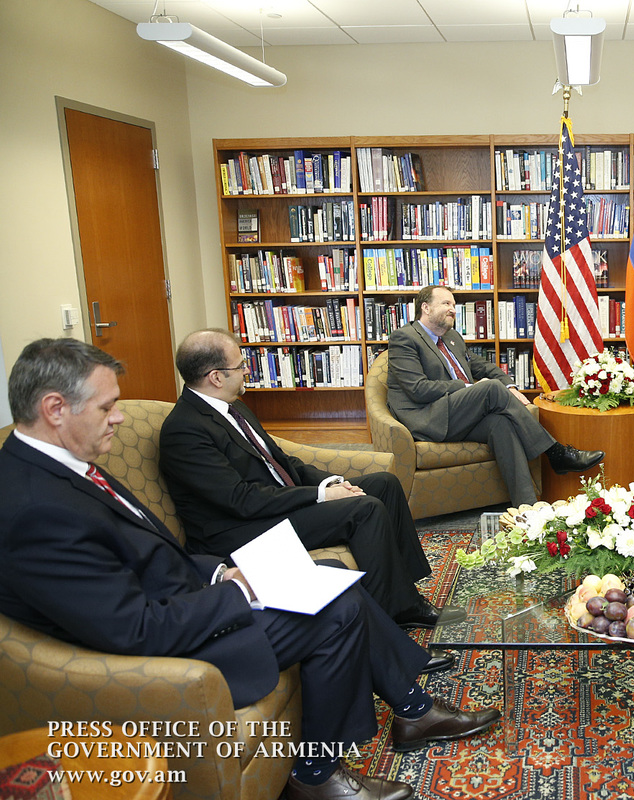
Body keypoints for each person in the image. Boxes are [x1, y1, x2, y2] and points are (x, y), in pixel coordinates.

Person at [0, 338, 502, 800]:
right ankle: (317, 773)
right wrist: (237, 592)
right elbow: (133, 629)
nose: (119, 417)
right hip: (172, 645)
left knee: (329, 575)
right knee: (338, 610)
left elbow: (155, 556)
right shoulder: (34, 508)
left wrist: (221, 575)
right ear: (55, 409)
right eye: (107, 406)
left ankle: (412, 710)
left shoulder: (62, 469)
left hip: (191, 595)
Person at [159, 329, 458, 644]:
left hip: (272, 507)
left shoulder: (234, 406)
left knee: (384, 484)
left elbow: (281, 461)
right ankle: (392, 617)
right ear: (216, 377)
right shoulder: (185, 430)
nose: (247, 370)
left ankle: (405, 597)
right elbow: (240, 499)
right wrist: (322, 495)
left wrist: (332, 481)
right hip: (243, 529)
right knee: (364, 510)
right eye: (241, 365)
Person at [386, 284, 603, 506]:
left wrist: (510, 387)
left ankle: (527, 507)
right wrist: (468, 387)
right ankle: (556, 453)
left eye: (454, 304)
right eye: (446, 303)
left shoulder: (452, 337)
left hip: (456, 414)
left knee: (501, 423)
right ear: (426, 307)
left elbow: (482, 366)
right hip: (429, 417)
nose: (453, 309)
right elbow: (418, 389)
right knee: (490, 388)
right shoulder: (404, 338)